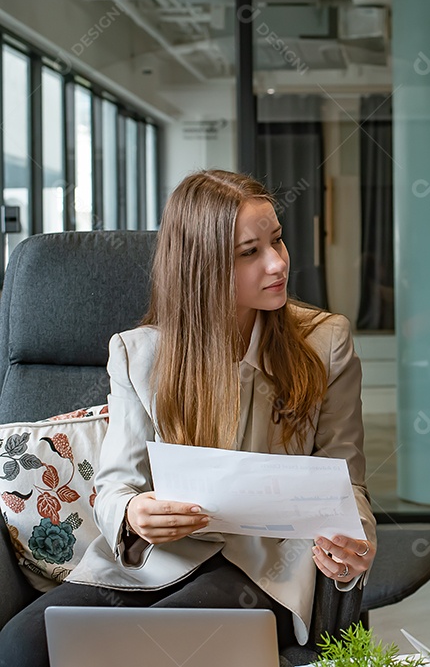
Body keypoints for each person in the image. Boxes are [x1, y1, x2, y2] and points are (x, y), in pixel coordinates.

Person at [0, 170, 377, 667]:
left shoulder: (325, 343)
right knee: (21, 645)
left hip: (264, 564)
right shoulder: (139, 355)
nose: (277, 263)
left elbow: (346, 478)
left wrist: (356, 537)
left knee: (163, 641)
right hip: (158, 559)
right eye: (250, 252)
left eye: (277, 240)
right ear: (203, 267)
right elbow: (116, 487)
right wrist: (135, 515)